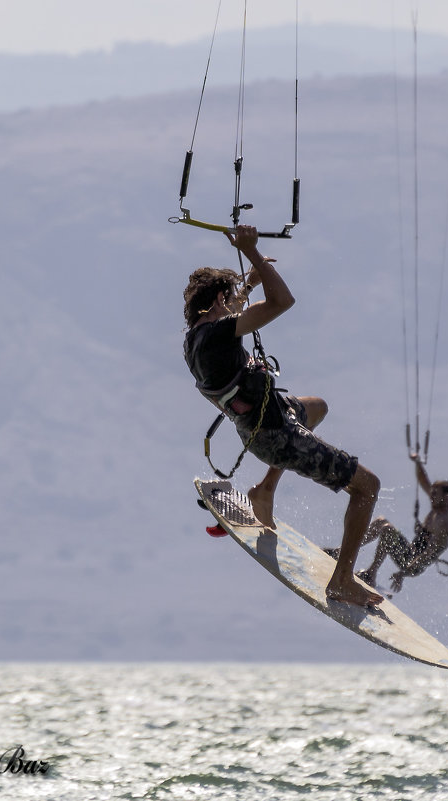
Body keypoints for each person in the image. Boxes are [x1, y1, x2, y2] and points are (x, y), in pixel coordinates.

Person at [183, 224, 383, 607]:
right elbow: (283, 301)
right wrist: (253, 253)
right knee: (367, 486)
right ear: (219, 300)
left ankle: (265, 489)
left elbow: (233, 312)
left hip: (257, 427)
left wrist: (250, 283)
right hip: (276, 435)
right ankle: (342, 580)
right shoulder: (221, 334)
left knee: (317, 407)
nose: (235, 305)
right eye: (231, 299)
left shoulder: (195, 340)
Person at [358, 454, 448, 594]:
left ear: (446, 497)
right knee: (381, 521)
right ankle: (342, 551)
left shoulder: (445, 523)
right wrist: (417, 463)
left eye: (435, 494)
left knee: (387, 530)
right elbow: (424, 481)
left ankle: (370, 574)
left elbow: (428, 555)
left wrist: (403, 574)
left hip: (413, 562)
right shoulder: (438, 506)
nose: (431, 496)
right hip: (410, 551)